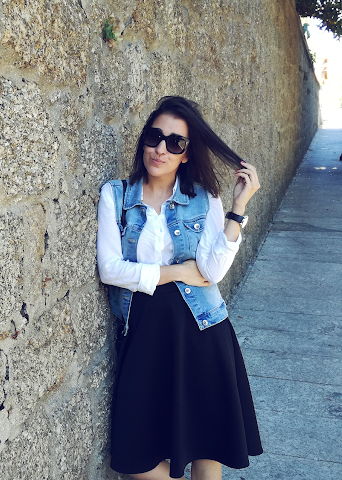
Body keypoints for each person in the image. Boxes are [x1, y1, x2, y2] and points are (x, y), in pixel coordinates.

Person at [97, 96, 263, 480]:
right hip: (146, 337)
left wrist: (238, 208)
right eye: (154, 137)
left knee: (208, 446)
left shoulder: (205, 197)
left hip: (204, 332)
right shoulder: (116, 195)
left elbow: (212, 270)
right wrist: (176, 272)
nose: (161, 149)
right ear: (144, 140)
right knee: (136, 457)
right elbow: (110, 269)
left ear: (186, 154)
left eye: (175, 143)